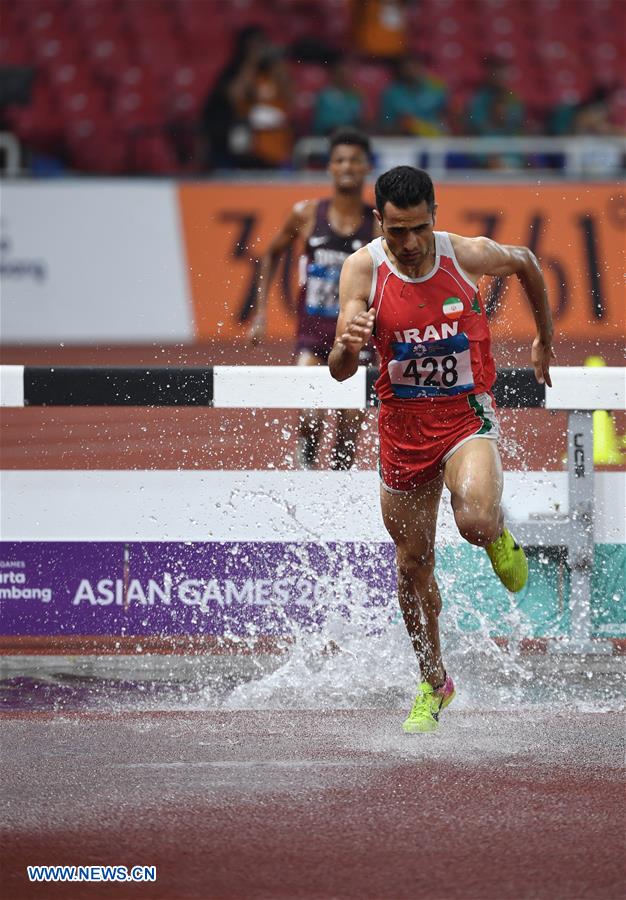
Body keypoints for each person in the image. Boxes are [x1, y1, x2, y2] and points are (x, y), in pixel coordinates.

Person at [328, 166, 554, 732]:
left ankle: (495, 533)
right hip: (401, 430)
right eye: (396, 230)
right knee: (412, 567)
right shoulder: (363, 269)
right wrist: (348, 346)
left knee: (474, 519)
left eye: (419, 229)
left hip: (463, 417)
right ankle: (435, 684)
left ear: (435, 214)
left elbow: (526, 261)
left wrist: (543, 340)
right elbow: (338, 370)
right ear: (379, 220)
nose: (408, 243)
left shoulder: (464, 255)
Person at [249, 128, 380, 469]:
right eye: (340, 160)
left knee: (350, 427)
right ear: (330, 167)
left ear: (367, 167)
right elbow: (271, 254)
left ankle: (337, 492)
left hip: (354, 337)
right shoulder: (306, 214)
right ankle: (304, 478)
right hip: (313, 332)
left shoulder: (377, 225)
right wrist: (260, 313)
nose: (347, 166)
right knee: (310, 417)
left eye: (354, 160)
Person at [379, 56, 448, 136]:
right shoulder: (391, 94)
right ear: (401, 71)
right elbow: (386, 125)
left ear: (421, 68)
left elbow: (449, 116)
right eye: (407, 69)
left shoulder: (436, 88)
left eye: (414, 68)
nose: (411, 72)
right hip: (404, 140)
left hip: (436, 136)